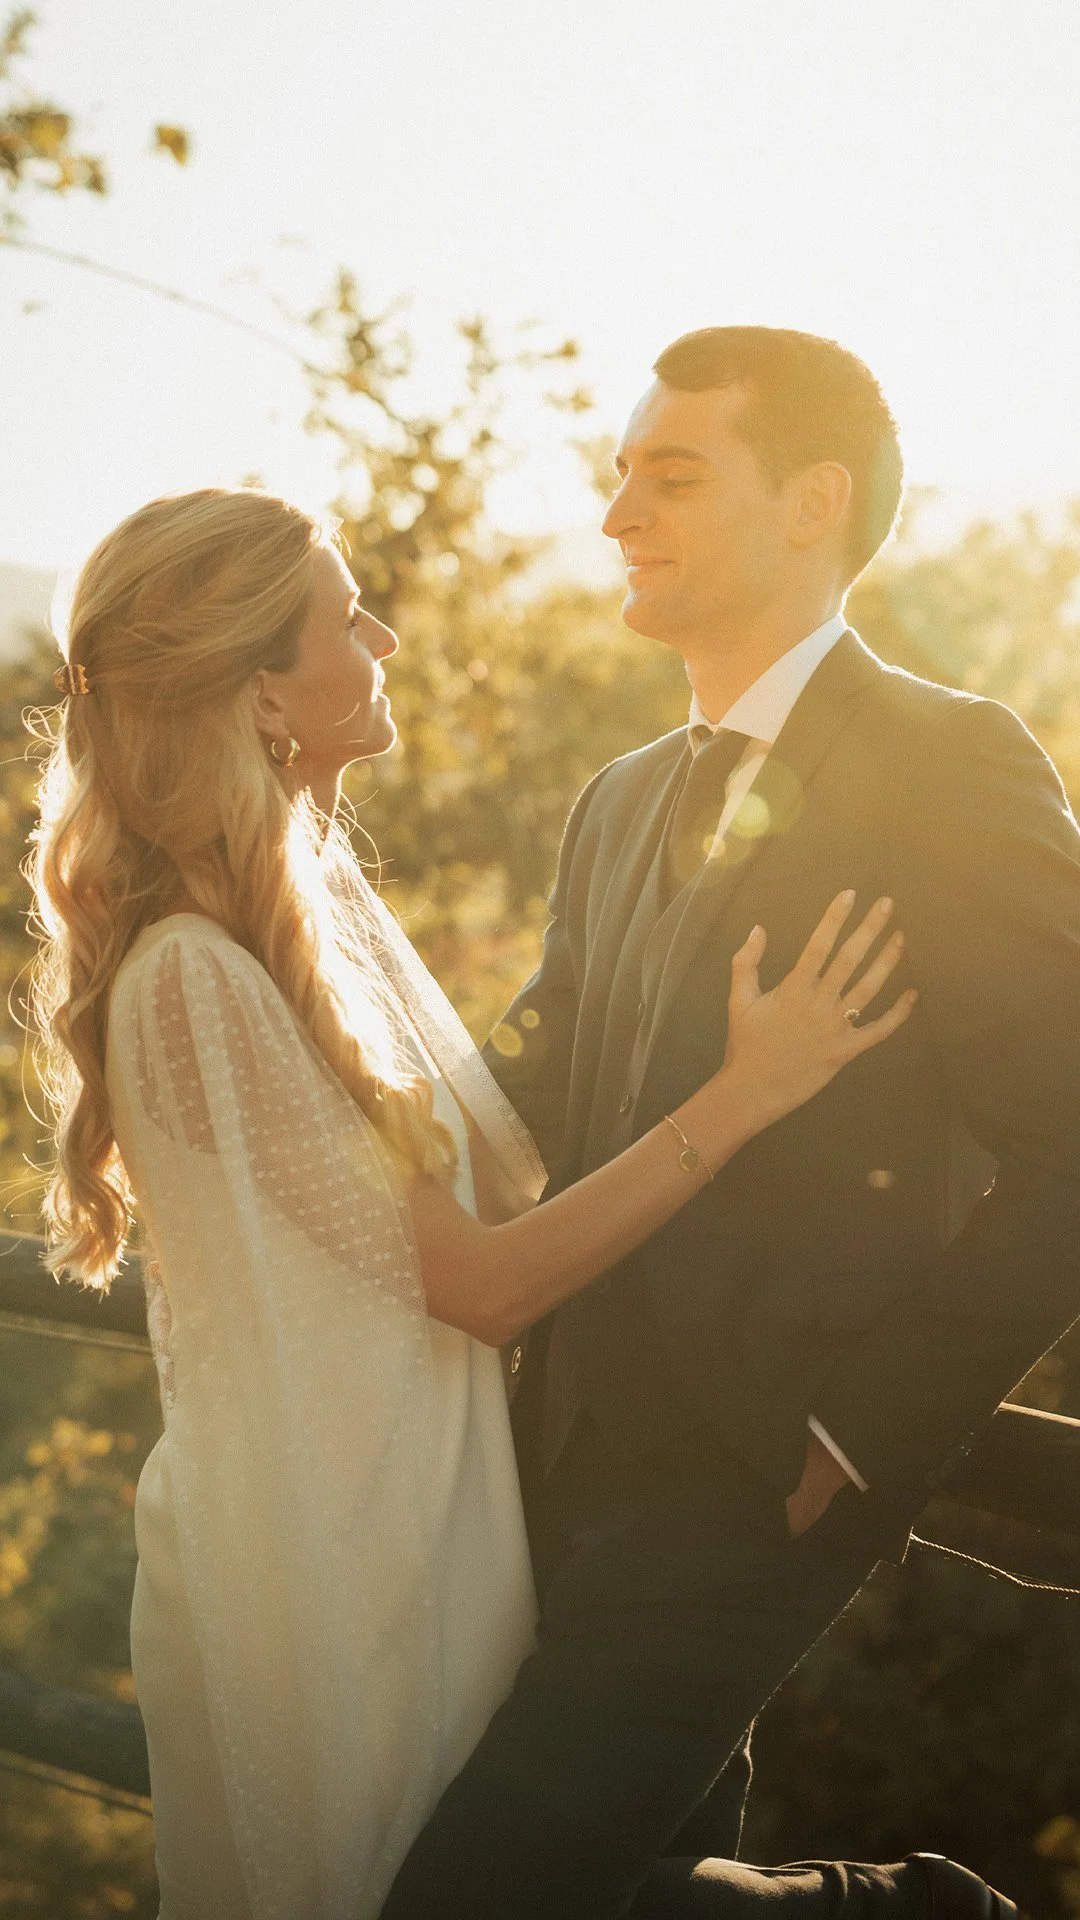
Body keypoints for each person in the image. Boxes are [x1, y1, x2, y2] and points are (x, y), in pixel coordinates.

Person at [29, 485, 915, 1920]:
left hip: (428, 1522)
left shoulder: (296, 924)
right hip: (334, 1567)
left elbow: (519, 1148)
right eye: (343, 615)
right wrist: (749, 1091)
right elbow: (488, 1280)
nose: (382, 634)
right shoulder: (193, 976)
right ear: (263, 687)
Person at [380, 328, 1080, 1920]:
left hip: (758, 1476)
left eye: (673, 474)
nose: (622, 510)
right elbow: (524, 1089)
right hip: (552, 1462)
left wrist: (855, 1434)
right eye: (619, 473)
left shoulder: (949, 764)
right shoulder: (620, 796)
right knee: (617, 1888)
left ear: (813, 503)